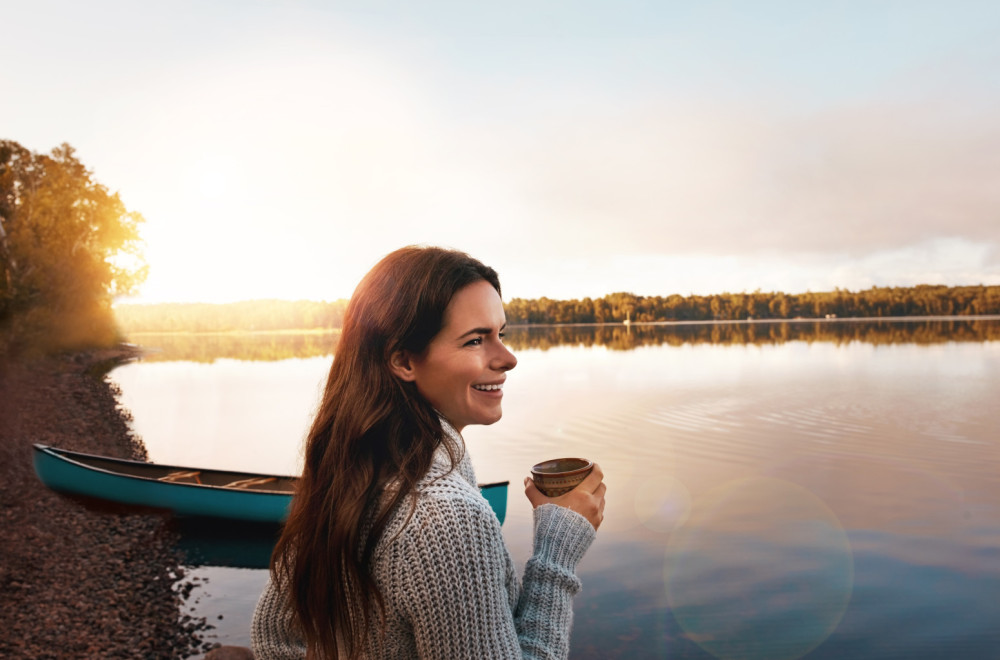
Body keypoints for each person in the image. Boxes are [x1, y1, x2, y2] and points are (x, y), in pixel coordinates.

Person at [251, 246, 606, 659]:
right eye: (476, 340)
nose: (507, 358)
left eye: (501, 334)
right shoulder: (445, 518)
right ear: (403, 361)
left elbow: (273, 639)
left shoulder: (348, 469)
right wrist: (555, 551)